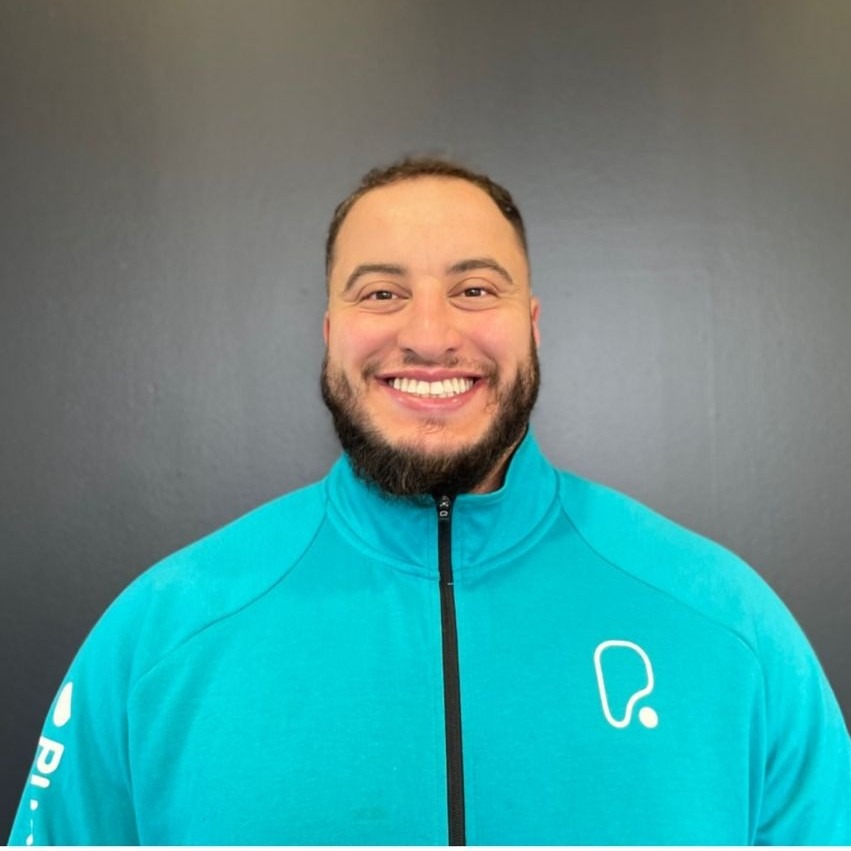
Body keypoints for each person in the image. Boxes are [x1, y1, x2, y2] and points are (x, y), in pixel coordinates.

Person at [8, 157, 851, 845]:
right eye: (380, 292)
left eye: (474, 289)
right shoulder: (157, 637)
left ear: (531, 325)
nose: (428, 334)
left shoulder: (727, 625)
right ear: (330, 333)